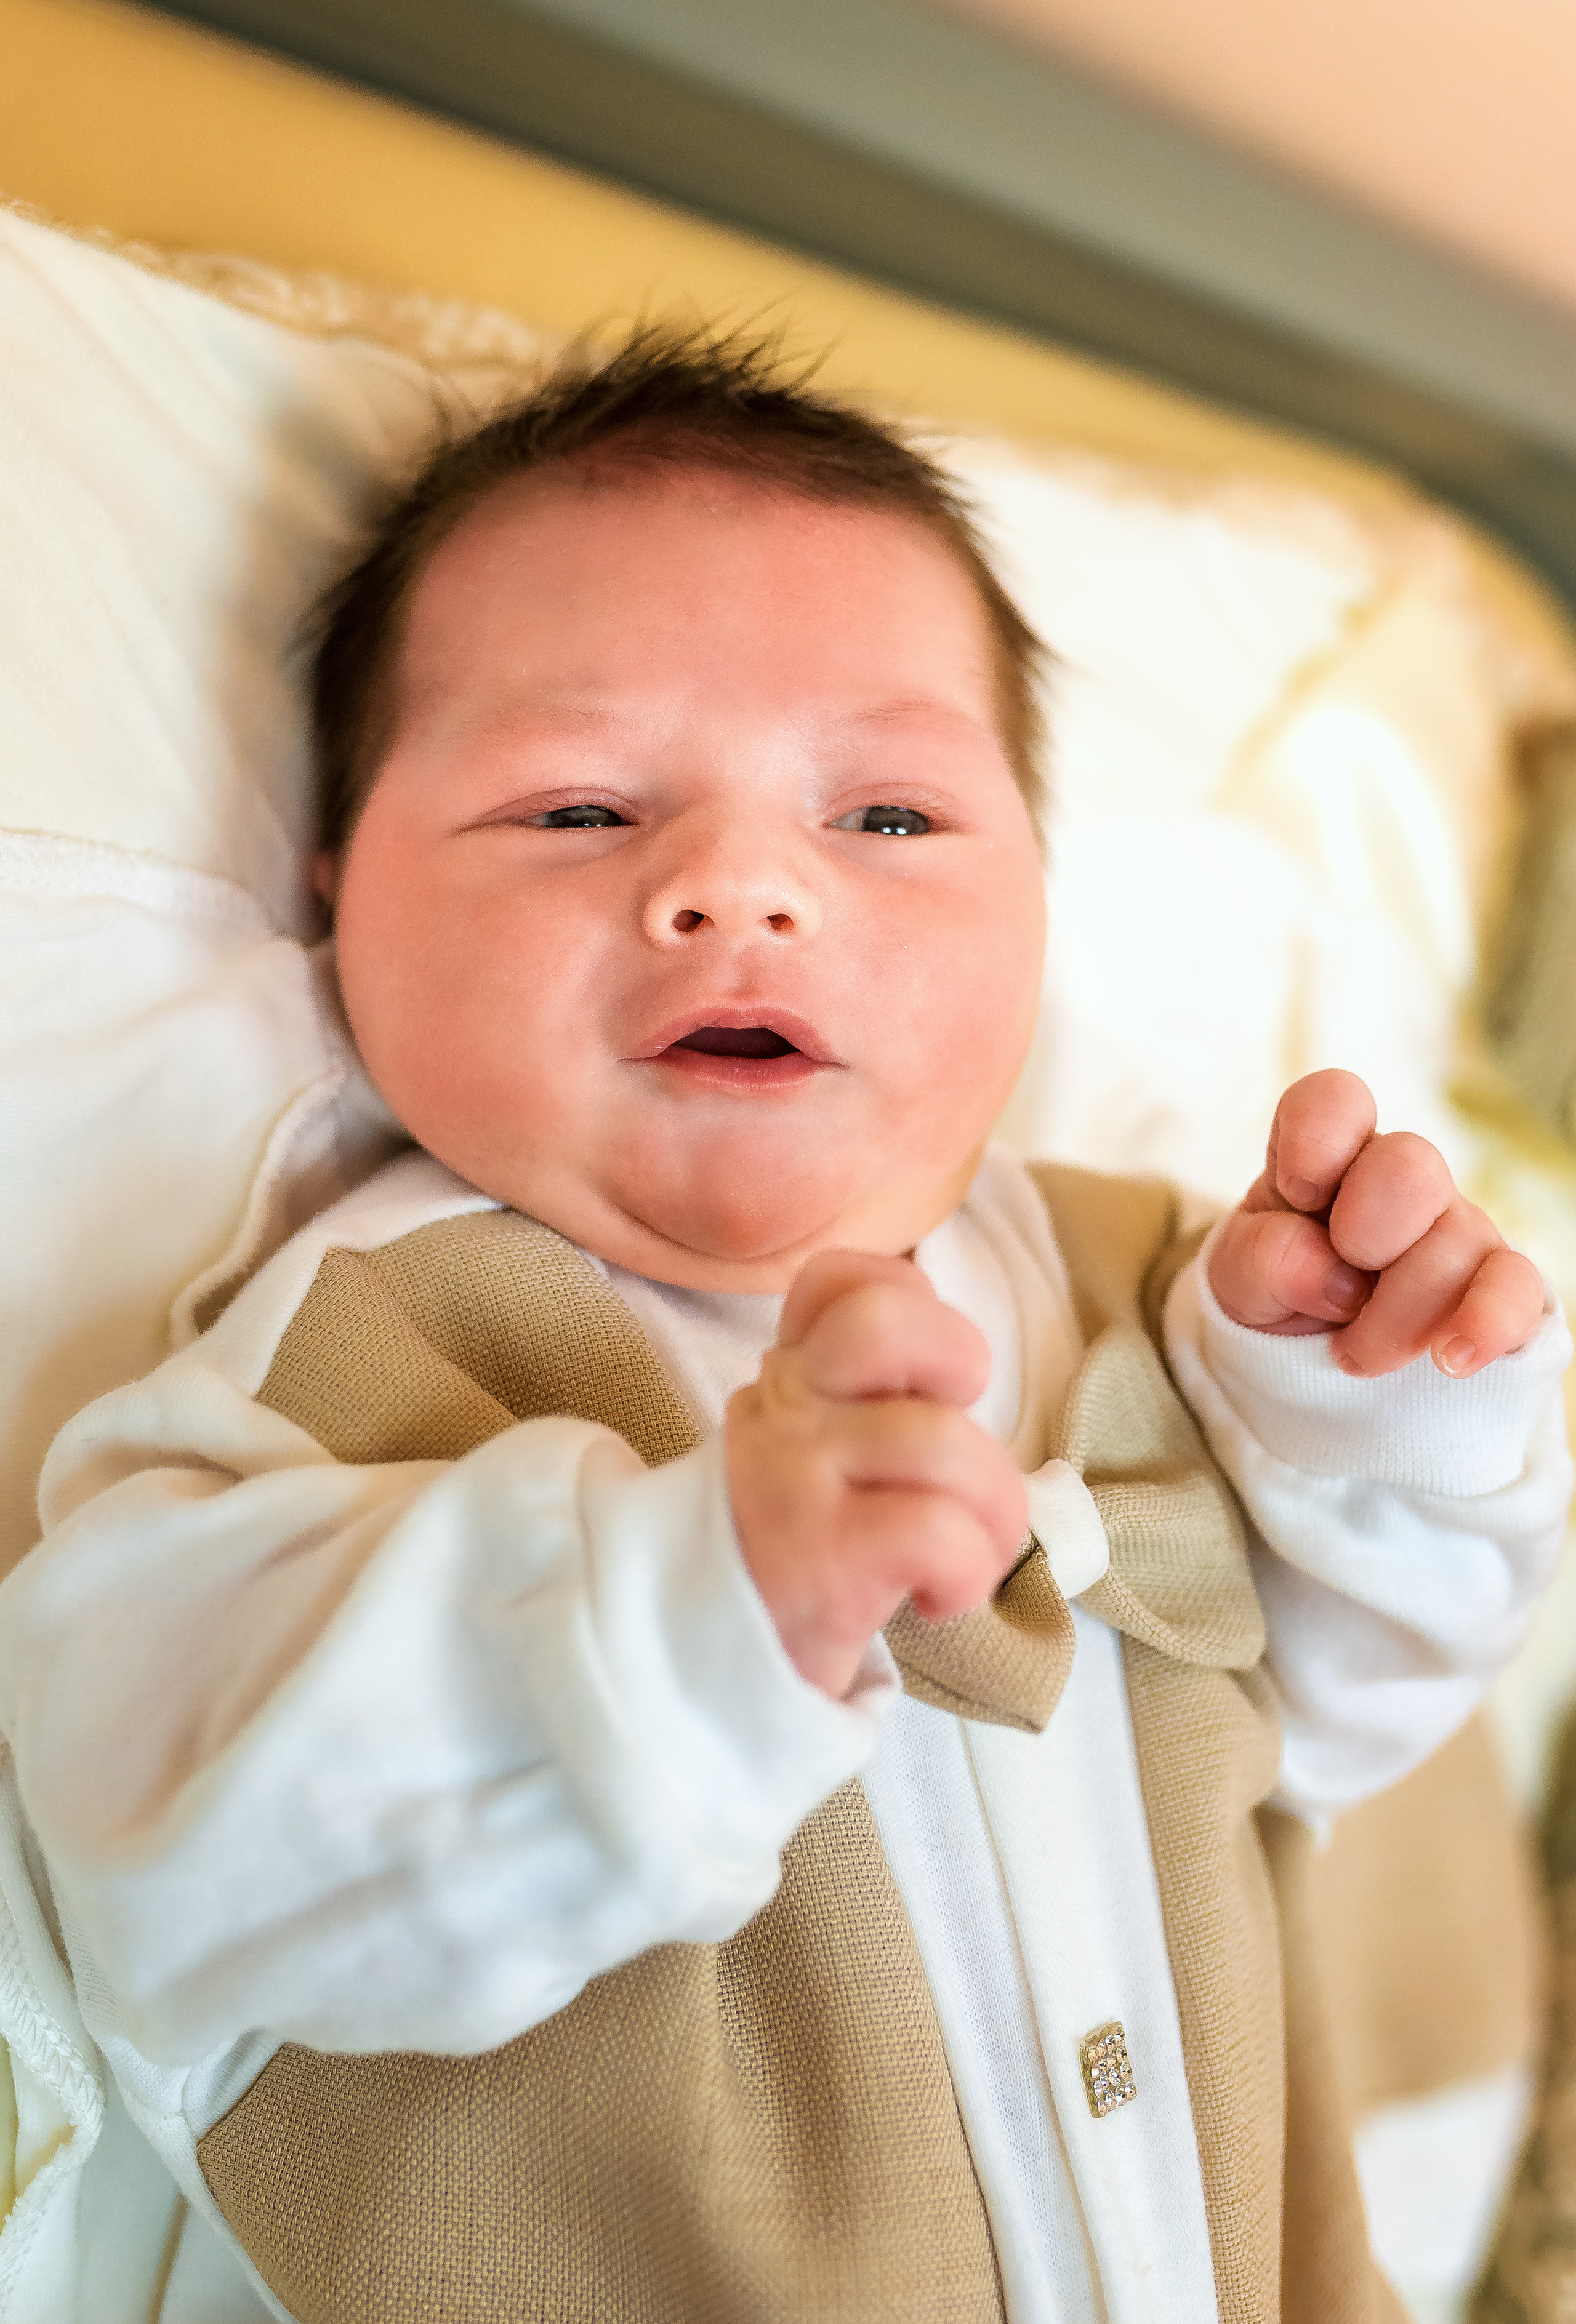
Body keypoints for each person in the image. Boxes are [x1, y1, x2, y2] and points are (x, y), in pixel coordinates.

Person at [1, 333, 1569, 2324]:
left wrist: (1382, 1430)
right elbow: (154, 1818)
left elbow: (1333, 1734)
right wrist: (679, 1619)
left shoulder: (1169, 1292)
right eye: (575, 810)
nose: (738, 887)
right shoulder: (362, 1353)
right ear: (338, 891)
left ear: (1040, 903)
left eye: (891, 821)